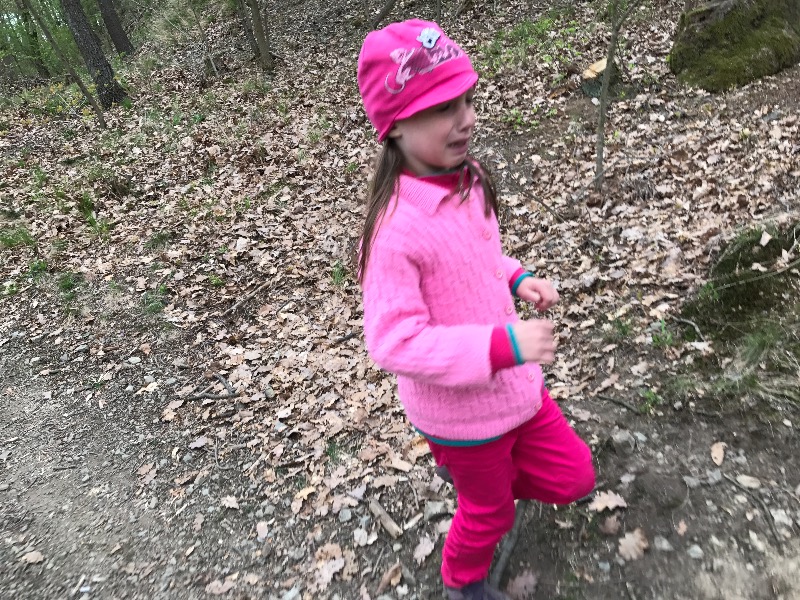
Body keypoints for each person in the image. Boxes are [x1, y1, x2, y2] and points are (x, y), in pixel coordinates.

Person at [356, 19, 596, 600]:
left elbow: (479, 255)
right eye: (443, 108)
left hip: (516, 390)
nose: (466, 118)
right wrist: (503, 345)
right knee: (490, 513)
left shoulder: (470, 179)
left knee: (574, 476)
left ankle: (474, 477)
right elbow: (393, 341)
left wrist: (519, 278)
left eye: (466, 99)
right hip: (461, 416)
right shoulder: (395, 231)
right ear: (395, 125)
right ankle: (462, 582)